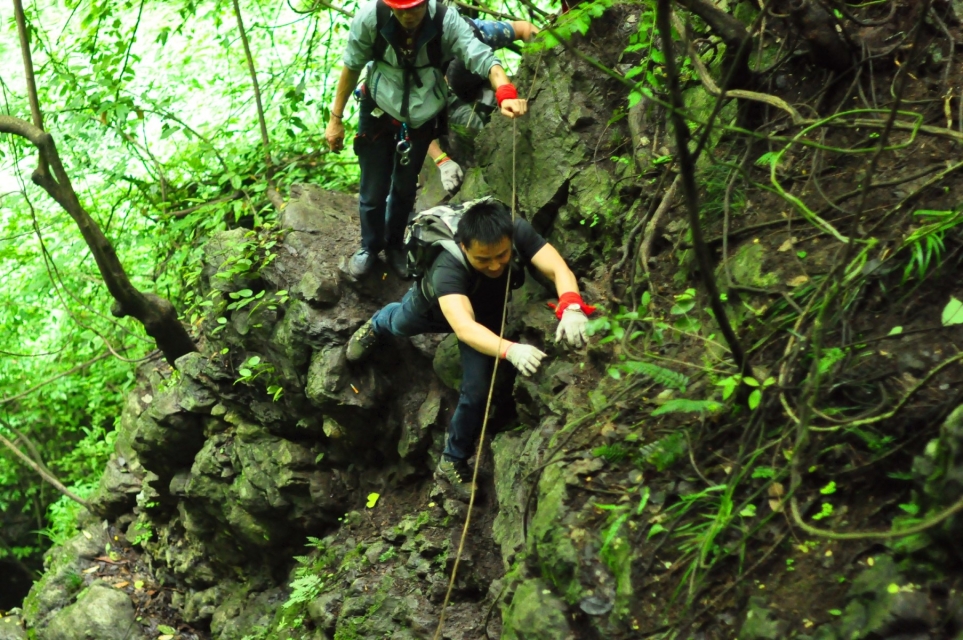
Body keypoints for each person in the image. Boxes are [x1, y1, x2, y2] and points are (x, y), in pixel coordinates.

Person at [343, 199, 595, 499]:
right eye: (482, 259)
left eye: (502, 255)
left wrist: (571, 305)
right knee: (399, 323)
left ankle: (452, 460)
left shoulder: (514, 229)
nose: (495, 265)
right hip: (432, 307)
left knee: (477, 389)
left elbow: (557, 268)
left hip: (485, 311)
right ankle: (376, 323)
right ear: (463, 248)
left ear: (509, 240)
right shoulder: (447, 266)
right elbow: (464, 327)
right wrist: (511, 350)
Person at [325, 0, 529, 278]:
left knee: (405, 188)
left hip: (423, 113)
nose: (409, 15)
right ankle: (370, 247)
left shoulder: (446, 20)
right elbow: (351, 67)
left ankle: (395, 245)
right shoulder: (371, 19)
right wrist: (335, 119)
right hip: (378, 107)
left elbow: (482, 58)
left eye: (415, 8)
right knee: (373, 189)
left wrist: (506, 93)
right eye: (401, 9)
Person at [428, 19, 540, 194]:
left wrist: (544, 59)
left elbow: (524, 28)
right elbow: (412, 121)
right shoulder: (417, 67)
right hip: (445, 105)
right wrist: (442, 161)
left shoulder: (477, 32)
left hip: (489, 84)